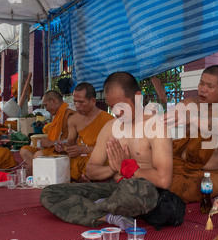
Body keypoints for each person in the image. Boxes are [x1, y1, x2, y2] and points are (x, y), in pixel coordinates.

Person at [40, 72, 173, 230]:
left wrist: (126, 168)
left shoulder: (155, 127)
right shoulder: (110, 128)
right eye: (112, 107)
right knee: (49, 193)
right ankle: (108, 215)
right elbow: (91, 170)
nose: (116, 112)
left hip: (141, 191)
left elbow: (163, 180)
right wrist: (113, 168)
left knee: (139, 191)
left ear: (138, 97)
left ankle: (98, 207)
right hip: (115, 187)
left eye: (121, 106)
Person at [165, 65, 218, 203]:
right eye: (201, 83)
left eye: (210, 86)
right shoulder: (191, 103)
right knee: (150, 175)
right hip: (179, 165)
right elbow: (175, 113)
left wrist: (194, 119)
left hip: (209, 175)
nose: (203, 89)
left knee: (183, 191)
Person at [56, 82, 114, 182]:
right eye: (75, 102)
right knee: (57, 161)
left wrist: (84, 150)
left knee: (95, 163)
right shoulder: (74, 119)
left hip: (97, 158)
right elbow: (70, 142)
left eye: (81, 102)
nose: (77, 106)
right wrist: (62, 145)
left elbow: (111, 149)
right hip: (80, 159)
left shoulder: (108, 120)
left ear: (93, 101)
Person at [19, 90, 75, 174]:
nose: (46, 109)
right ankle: (38, 169)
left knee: (38, 155)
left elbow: (72, 140)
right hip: (52, 148)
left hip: (63, 150)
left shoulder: (70, 115)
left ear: (54, 101)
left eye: (46, 105)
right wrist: (46, 142)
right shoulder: (57, 115)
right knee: (24, 150)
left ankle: (36, 169)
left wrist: (52, 143)